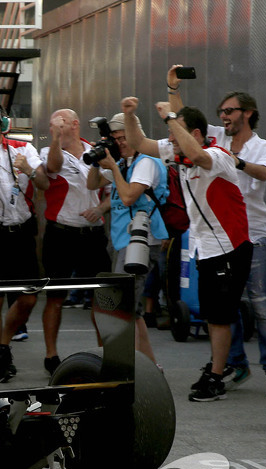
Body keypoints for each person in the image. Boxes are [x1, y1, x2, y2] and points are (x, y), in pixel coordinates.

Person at [123, 96, 252, 402]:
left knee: (219, 317)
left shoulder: (217, 155)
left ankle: (217, 376)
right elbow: (139, 143)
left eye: (175, 132)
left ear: (194, 133)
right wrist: (130, 115)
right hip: (206, 248)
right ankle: (223, 366)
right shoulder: (180, 151)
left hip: (230, 246)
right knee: (212, 314)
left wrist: (170, 117)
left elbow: (198, 154)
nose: (170, 140)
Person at [167, 67, 266, 398]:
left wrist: (236, 162)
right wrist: (171, 88)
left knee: (261, 306)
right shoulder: (215, 138)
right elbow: (187, 123)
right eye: (221, 113)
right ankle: (233, 365)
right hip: (218, 236)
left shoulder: (265, 146)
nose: (224, 117)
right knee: (223, 308)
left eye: (230, 111)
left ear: (248, 113)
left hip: (253, 233)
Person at [86, 112, 168, 365]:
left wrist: (113, 168)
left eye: (123, 137)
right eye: (116, 139)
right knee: (133, 312)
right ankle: (150, 368)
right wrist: (97, 159)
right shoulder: (123, 163)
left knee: (121, 311)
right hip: (124, 242)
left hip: (141, 243)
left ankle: (129, 370)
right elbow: (92, 184)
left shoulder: (147, 161)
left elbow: (130, 196)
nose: (120, 143)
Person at [0, 102, 45, 382]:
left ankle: (4, 343)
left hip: (23, 230)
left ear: (2, 123)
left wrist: (29, 169)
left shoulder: (23, 148)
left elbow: (44, 184)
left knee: (29, 297)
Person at [39, 109, 111, 376]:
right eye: (51, 123)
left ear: (75, 124)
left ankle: (105, 351)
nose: (53, 126)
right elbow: (53, 168)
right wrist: (56, 139)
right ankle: (51, 354)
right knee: (55, 296)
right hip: (61, 232)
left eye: (59, 122)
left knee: (101, 297)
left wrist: (101, 209)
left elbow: (112, 190)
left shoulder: (97, 151)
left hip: (92, 233)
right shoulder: (50, 151)